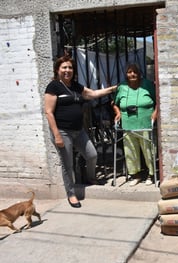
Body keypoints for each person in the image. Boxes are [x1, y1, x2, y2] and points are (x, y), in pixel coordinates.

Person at [44, 55, 118, 208]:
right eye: (64, 67)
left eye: (70, 67)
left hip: (79, 131)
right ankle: (71, 194)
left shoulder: (76, 86)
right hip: (63, 132)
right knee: (67, 165)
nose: (67, 70)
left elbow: (92, 94)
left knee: (92, 154)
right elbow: (49, 112)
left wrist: (112, 89)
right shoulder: (53, 86)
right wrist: (57, 135)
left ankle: (90, 178)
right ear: (57, 70)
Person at [113, 63, 158, 186]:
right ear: (126, 74)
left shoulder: (147, 85)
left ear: (139, 73)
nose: (132, 74)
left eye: (135, 72)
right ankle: (135, 175)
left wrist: (155, 114)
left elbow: (158, 100)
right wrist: (118, 113)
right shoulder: (121, 86)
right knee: (130, 150)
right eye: (129, 72)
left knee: (149, 150)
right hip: (128, 124)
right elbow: (115, 103)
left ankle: (151, 174)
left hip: (145, 123)